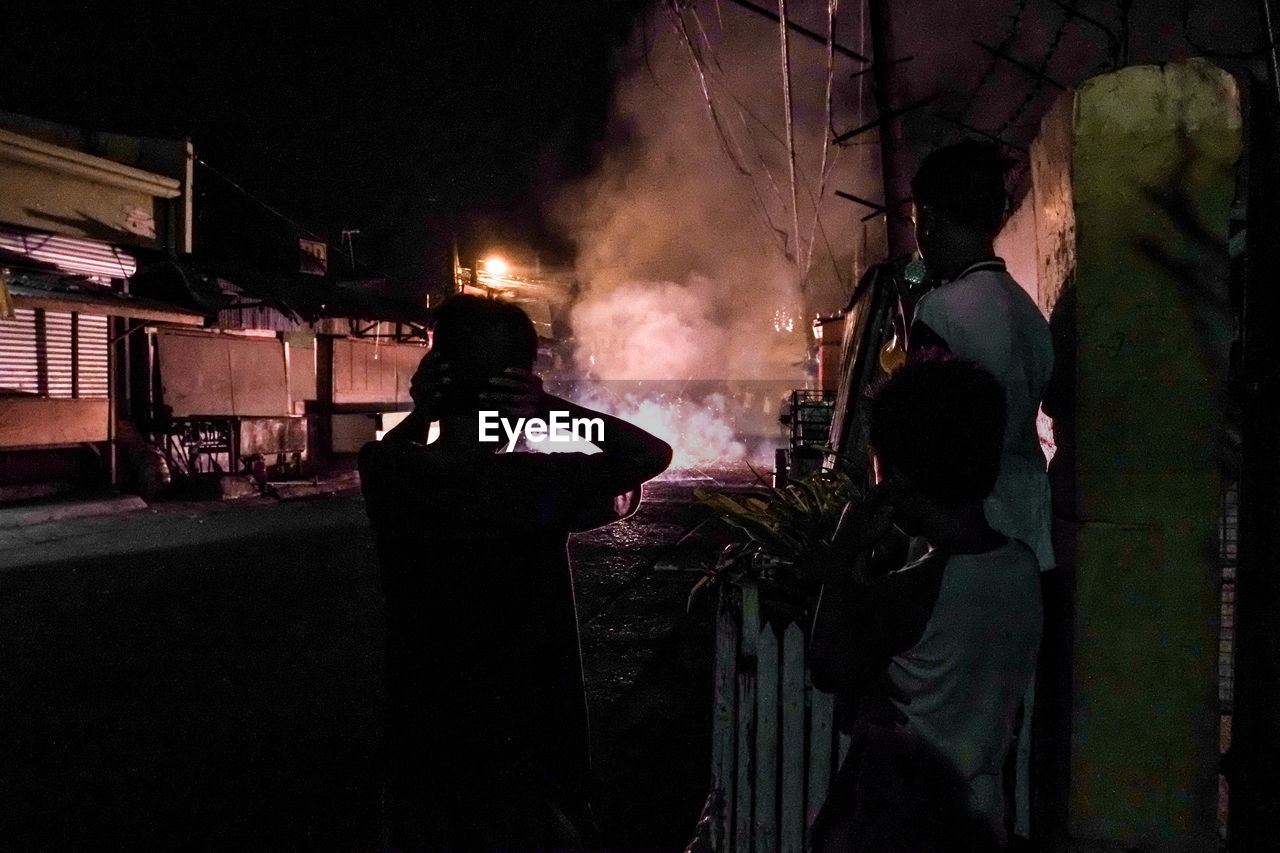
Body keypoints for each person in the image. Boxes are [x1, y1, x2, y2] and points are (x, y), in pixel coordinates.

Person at [358, 295, 672, 852]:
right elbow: (648, 453)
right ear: (517, 388)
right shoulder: (530, 483)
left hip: (425, 731)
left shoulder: (392, 473)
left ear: (434, 380)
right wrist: (550, 407)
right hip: (531, 737)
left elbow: (391, 448)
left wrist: (425, 411)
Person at [806, 356, 1043, 852]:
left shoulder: (918, 588)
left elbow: (828, 664)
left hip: (905, 828)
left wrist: (842, 553)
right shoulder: (1020, 567)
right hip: (978, 821)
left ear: (899, 476)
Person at [908, 140, 1056, 574]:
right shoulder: (1028, 312)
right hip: (1032, 533)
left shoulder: (939, 311)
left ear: (929, 219)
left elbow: (922, 435)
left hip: (964, 539)